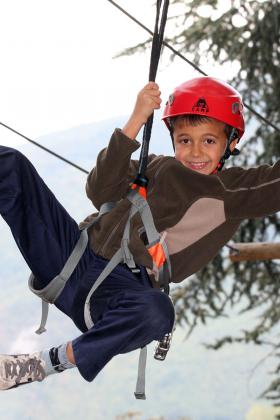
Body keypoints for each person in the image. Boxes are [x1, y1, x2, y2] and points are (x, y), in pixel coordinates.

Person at [0, 76, 279, 391]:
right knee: (10, 165)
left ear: (231, 143)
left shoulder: (230, 191)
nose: (196, 151)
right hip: (70, 256)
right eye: (185, 140)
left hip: (119, 293)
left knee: (158, 311)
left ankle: (42, 364)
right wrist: (136, 120)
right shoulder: (154, 167)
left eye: (209, 141)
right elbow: (99, 188)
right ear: (173, 139)